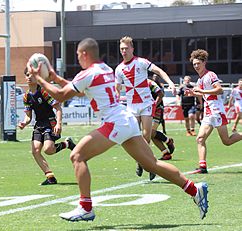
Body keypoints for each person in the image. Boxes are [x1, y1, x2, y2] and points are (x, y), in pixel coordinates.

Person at [29, 38, 208, 222]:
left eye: (77, 55)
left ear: (84, 54)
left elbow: (60, 94)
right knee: (151, 164)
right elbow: (80, 89)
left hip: (115, 122)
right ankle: (195, 190)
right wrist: (53, 76)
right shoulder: (105, 68)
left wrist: (40, 79)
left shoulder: (88, 73)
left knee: (77, 156)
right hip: (126, 120)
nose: (77, 58)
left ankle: (86, 207)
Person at [115, 36, 176, 179]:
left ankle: (148, 164)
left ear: (132, 48)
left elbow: (159, 71)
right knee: (133, 137)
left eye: (126, 48)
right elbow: (117, 88)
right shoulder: (119, 69)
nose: (123, 51)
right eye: (121, 49)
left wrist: (170, 83)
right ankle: (141, 162)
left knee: (146, 136)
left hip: (146, 104)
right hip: (131, 106)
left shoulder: (141, 62)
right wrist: (116, 101)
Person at [186, 49, 242, 174]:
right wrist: (193, 93)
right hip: (208, 112)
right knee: (200, 139)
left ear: (204, 62)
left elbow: (219, 90)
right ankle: (202, 167)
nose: (196, 66)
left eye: (198, 63)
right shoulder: (200, 79)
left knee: (226, 141)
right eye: (194, 64)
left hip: (216, 111)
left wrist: (201, 92)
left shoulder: (210, 75)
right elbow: (203, 95)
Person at [18, 68, 76, 185]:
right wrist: (24, 123)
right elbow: (28, 116)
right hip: (38, 124)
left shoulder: (44, 92)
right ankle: (50, 177)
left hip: (50, 122)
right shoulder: (26, 97)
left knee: (49, 150)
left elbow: (58, 108)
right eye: (27, 75)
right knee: (35, 151)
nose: (29, 77)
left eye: (32, 75)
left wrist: (58, 123)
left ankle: (67, 144)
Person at [149, 76, 175, 161]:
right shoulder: (136, 84)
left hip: (157, 109)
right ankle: (166, 153)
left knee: (151, 132)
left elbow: (161, 94)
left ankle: (167, 141)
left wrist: (154, 106)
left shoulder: (149, 83)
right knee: (150, 134)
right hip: (146, 110)